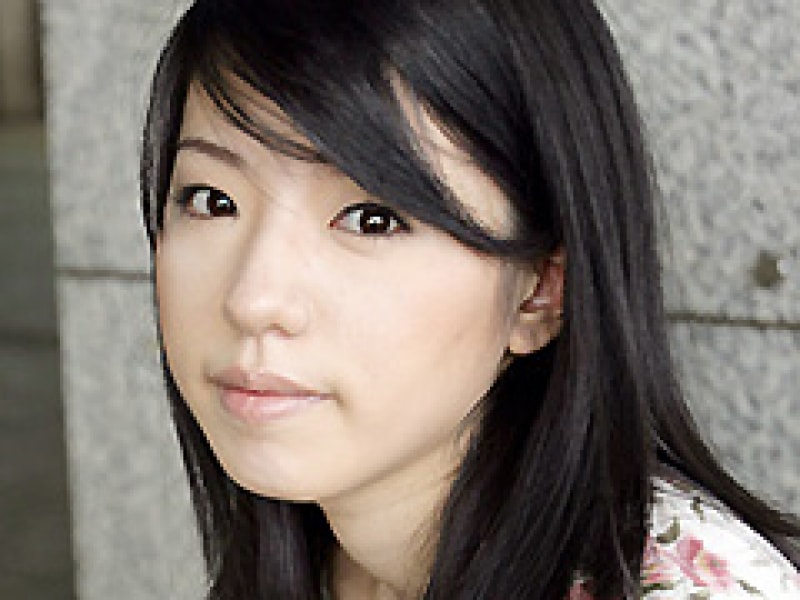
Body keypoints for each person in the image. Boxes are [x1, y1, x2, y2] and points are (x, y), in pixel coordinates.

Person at [139, 1, 800, 598]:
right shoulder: (325, 560)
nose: (253, 300)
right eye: (212, 200)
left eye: (372, 219)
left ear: (540, 290)